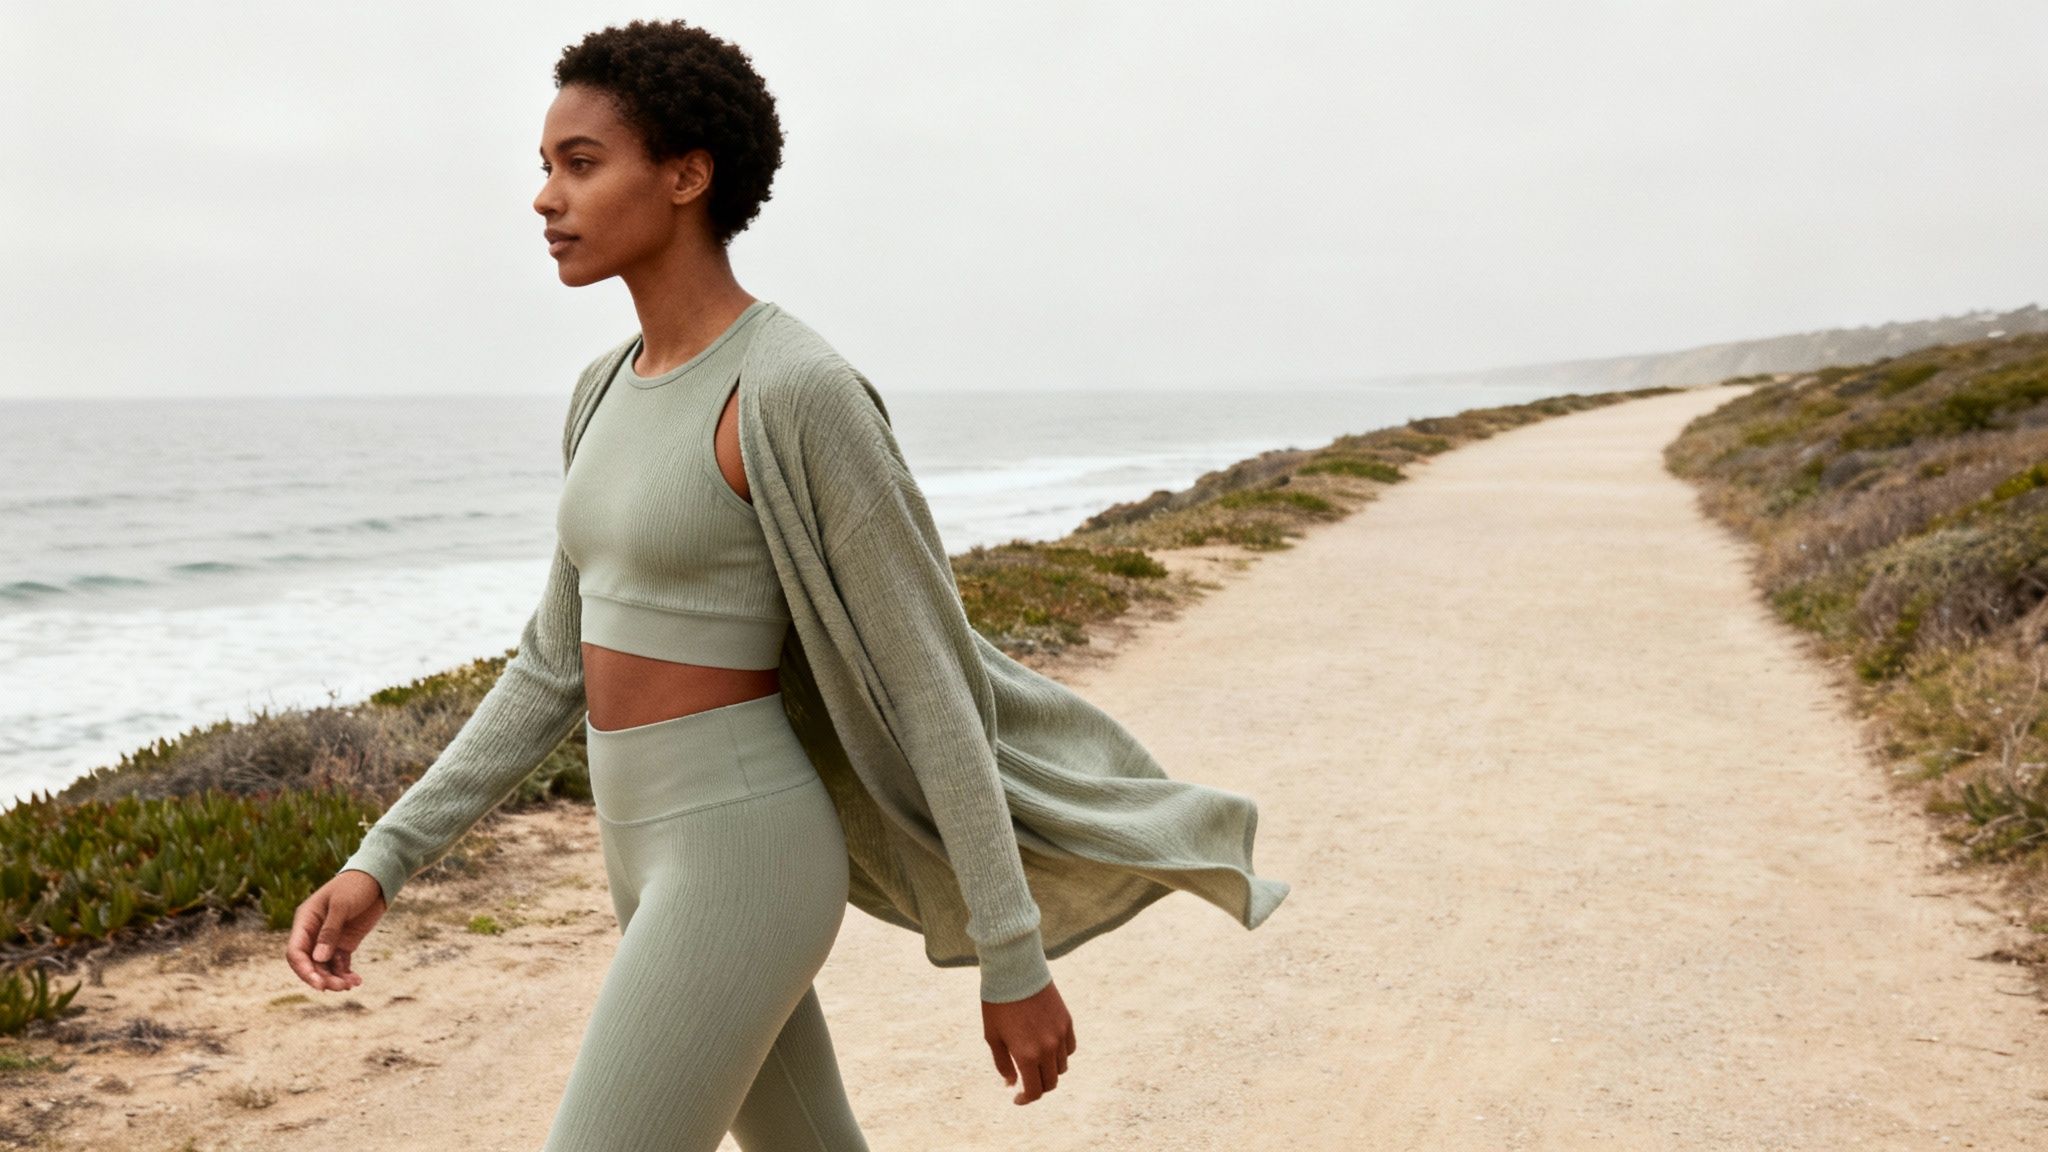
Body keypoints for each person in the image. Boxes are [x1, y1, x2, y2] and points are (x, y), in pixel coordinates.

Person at [287, 18, 1288, 1151]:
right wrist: (387, 858)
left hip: (740, 850)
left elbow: (926, 680)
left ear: (684, 175)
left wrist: (1010, 953)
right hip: (636, 837)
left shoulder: (793, 389)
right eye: (543, 166)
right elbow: (551, 664)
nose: (543, 199)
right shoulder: (599, 389)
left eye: (579, 164)